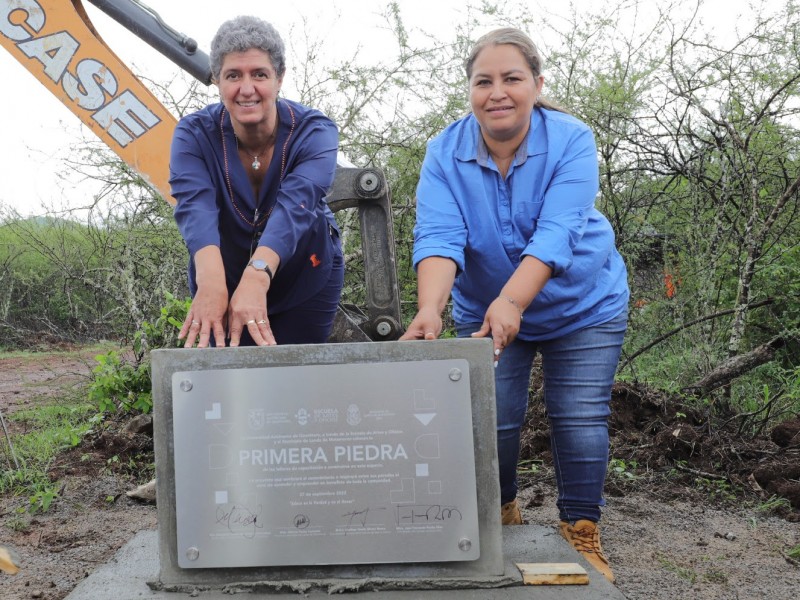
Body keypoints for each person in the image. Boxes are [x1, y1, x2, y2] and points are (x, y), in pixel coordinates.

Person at [400, 28, 629, 583]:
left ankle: (581, 532)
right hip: (484, 313)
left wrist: (512, 300)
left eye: (512, 79)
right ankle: (499, 516)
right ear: (470, 90)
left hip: (584, 305)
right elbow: (437, 236)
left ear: (536, 84)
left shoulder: (572, 139)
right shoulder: (443, 151)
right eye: (484, 81)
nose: (497, 92)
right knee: (489, 418)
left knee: (577, 419)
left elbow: (557, 233)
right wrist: (430, 307)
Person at [169, 15, 343, 348]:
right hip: (220, 274)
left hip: (303, 274)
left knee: (296, 383)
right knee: (229, 387)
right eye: (233, 75)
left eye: (259, 74)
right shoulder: (192, 134)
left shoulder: (316, 132)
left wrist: (258, 273)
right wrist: (211, 283)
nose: (246, 89)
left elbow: (297, 206)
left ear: (279, 79)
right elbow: (195, 206)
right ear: (218, 80)